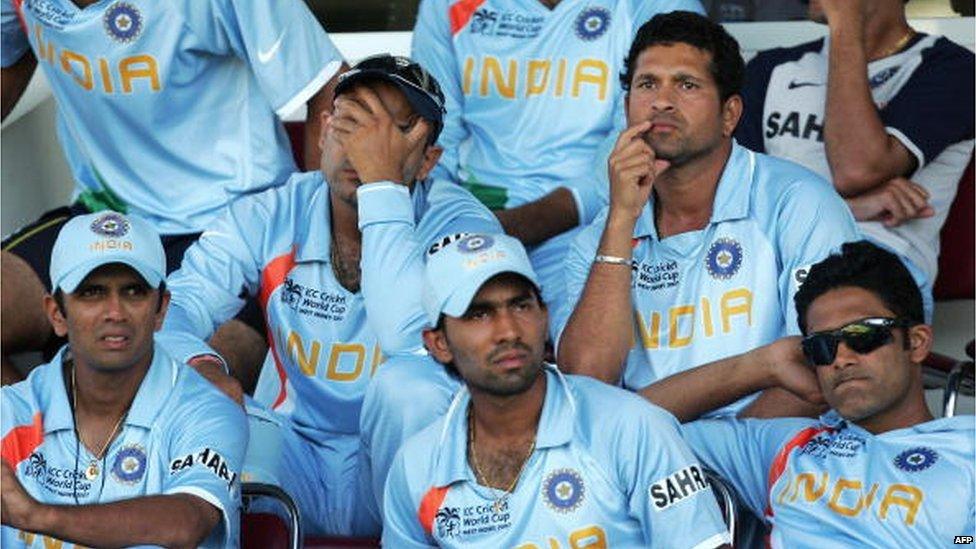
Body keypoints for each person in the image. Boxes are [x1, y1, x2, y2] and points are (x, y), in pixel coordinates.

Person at [158, 54, 502, 536]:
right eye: (353, 123)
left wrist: (383, 188)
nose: (363, 148)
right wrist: (203, 367)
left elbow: (406, 338)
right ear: (321, 132)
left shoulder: (460, 222)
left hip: (399, 466)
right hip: (291, 453)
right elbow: (170, 312)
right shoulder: (271, 212)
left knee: (411, 385)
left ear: (428, 161)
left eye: (390, 133)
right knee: (193, 403)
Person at [0, 0, 348, 383]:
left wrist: (318, 253)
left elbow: (331, 88)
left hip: (236, 228)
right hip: (102, 216)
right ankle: (39, 437)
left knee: (169, 383)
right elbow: (8, 62)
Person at [556, 11, 859, 418]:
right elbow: (588, 384)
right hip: (644, 458)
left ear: (730, 115)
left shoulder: (798, 203)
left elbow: (817, 376)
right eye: (647, 84)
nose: (662, 100)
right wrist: (622, 220)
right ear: (627, 107)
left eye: (686, 84)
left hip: (766, 450)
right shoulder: (602, 235)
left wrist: (711, 454)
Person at [382, 233, 731, 547]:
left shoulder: (633, 426)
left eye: (521, 306)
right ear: (439, 343)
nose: (508, 331)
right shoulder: (416, 466)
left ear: (545, 316)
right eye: (478, 314)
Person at [639, 240, 975, 545]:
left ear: (916, 343)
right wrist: (761, 365)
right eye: (822, 347)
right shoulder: (788, 448)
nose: (841, 359)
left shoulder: (967, 451)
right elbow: (620, 425)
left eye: (863, 335)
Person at [412, 0, 704, 316]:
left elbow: (644, 139)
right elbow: (434, 134)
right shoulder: (445, 5)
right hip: (475, 218)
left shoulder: (655, 5)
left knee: (579, 341)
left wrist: (523, 223)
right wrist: (451, 222)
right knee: (444, 335)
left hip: (594, 223)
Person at [1, 212, 247, 549]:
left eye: (133, 291)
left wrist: (37, 515)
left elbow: (187, 521)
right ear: (57, 314)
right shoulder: (9, 413)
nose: (114, 312)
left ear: (161, 309)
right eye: (92, 292)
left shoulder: (208, 409)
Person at [735, 0, 975, 321]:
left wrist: (845, 19)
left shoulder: (951, 68)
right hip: (775, 259)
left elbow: (856, 169)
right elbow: (737, 204)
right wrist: (856, 208)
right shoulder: (772, 68)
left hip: (879, 266)